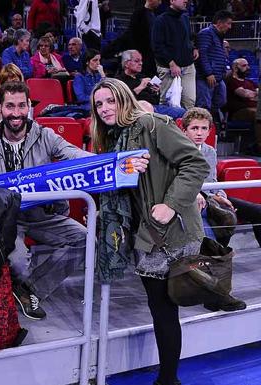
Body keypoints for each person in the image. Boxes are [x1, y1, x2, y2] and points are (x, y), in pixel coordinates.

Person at [91, 78, 209, 385]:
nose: (104, 109)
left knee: (164, 309)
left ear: (124, 98)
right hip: (146, 234)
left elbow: (195, 164)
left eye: (110, 101)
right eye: (99, 104)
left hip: (171, 231)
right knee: (160, 307)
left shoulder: (151, 124)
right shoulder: (115, 137)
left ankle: (168, 380)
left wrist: (170, 204)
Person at [0, 81, 98, 320]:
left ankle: (30, 289)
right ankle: (17, 289)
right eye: (10, 106)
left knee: (85, 239)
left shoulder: (44, 135)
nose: (16, 113)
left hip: (41, 214)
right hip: (7, 219)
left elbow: (74, 155)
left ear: (29, 106)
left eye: (22, 106)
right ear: (0, 108)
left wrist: (107, 161)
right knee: (19, 263)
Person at [181, 107, 261, 251]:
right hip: (191, 198)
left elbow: (212, 181)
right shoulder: (177, 151)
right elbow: (179, 181)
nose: (199, 133)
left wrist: (221, 196)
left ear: (209, 131)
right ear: (184, 130)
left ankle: (219, 252)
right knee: (217, 217)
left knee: (257, 211)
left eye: (204, 128)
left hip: (211, 196)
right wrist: (214, 197)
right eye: (194, 128)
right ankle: (215, 255)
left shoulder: (210, 151)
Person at [152, 0, 198, 109]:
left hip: (188, 67)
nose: (186, 1)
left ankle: (187, 126)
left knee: (189, 102)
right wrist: (172, 64)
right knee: (168, 102)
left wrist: (194, 48)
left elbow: (189, 37)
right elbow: (157, 46)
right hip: (168, 68)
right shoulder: (160, 20)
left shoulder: (185, 18)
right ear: (172, 1)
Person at [117, 50, 185, 118]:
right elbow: (123, 99)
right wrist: (140, 87)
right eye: (136, 61)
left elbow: (155, 100)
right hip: (137, 110)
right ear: (126, 64)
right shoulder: (119, 81)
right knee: (181, 112)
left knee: (182, 111)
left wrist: (156, 91)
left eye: (141, 61)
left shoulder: (141, 77)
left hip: (153, 107)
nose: (141, 63)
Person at [195, 10, 233, 119]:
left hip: (218, 77)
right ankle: (202, 128)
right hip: (205, 77)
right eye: (228, 23)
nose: (230, 27)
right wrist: (208, 73)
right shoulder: (206, 33)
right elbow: (202, 53)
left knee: (221, 100)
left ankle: (210, 124)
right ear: (220, 22)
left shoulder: (218, 36)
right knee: (203, 106)